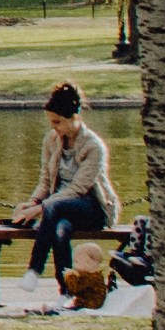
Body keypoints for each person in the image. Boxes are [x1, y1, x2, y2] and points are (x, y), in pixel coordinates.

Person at [21, 82, 115, 294]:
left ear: (74, 118)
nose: (54, 127)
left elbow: (78, 189)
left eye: (58, 122)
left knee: (54, 208)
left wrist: (40, 209)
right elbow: (45, 180)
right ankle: (67, 290)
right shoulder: (51, 140)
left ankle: (34, 270)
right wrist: (32, 202)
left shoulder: (93, 146)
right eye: (51, 122)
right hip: (56, 209)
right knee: (60, 228)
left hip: (92, 207)